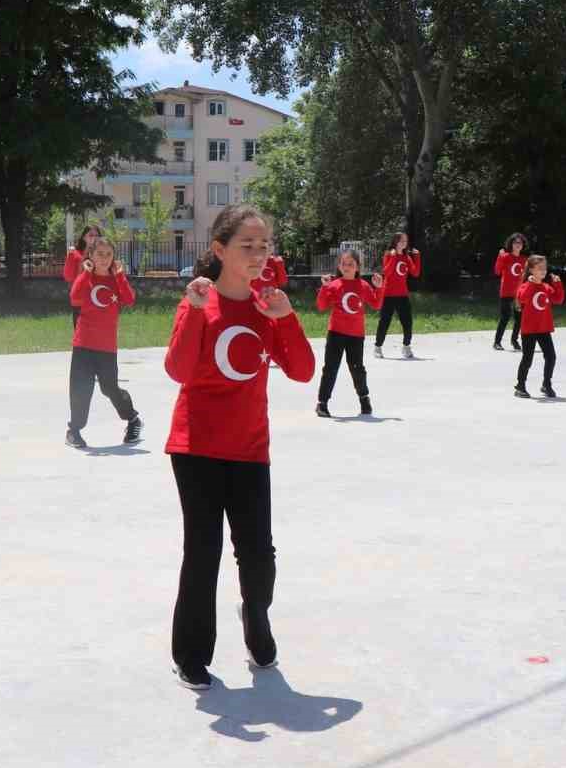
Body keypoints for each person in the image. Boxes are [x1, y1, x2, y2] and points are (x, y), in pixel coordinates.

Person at [163, 203, 316, 690]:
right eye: (247, 245)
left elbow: (302, 370)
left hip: (250, 447)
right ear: (219, 250)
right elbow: (179, 371)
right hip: (197, 447)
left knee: (258, 554)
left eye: (264, 245)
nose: (258, 254)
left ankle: (255, 618)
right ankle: (190, 654)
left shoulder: (266, 306)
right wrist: (192, 309)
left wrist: (287, 317)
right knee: (202, 551)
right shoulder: (199, 302)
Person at [66, 238, 142, 448]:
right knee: (80, 388)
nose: (104, 258)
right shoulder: (86, 277)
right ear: (90, 255)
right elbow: (75, 298)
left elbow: (128, 299)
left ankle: (133, 419)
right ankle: (74, 430)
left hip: (106, 346)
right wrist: (86, 273)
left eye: (108, 254)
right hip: (83, 343)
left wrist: (119, 276)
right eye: (100, 253)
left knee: (109, 388)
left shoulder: (116, 279)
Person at [315, 249, 383, 418]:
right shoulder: (334, 285)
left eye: (351, 264)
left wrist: (380, 288)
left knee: (357, 368)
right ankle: (322, 403)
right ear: (339, 266)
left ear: (357, 267)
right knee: (330, 368)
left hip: (356, 335)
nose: (347, 267)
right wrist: (324, 288)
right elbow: (322, 306)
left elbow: (376, 304)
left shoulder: (363, 286)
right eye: (344, 264)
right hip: (336, 333)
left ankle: (364, 399)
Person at [512, 255, 565, 399]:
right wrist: (530, 284)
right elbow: (522, 298)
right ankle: (520, 386)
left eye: (545, 268)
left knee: (551, 356)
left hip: (544, 328)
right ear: (531, 270)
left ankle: (546, 384)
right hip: (529, 329)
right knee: (527, 358)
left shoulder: (546, 287)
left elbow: (558, 299)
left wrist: (558, 284)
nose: (543, 271)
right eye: (540, 268)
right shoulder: (525, 286)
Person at [374, 232, 422, 360]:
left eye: (406, 241)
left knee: (408, 322)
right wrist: (394, 257)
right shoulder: (389, 254)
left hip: (402, 295)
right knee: (384, 322)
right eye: (402, 241)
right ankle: (378, 347)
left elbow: (415, 273)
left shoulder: (406, 257)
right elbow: (386, 272)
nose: (404, 243)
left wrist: (417, 256)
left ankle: (406, 347)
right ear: (395, 242)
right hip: (388, 294)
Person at [492, 233, 528, 351]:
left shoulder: (524, 260)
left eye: (520, 243)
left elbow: (527, 276)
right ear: (511, 244)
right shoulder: (505, 256)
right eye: (515, 242)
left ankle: (514, 341)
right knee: (505, 317)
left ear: (523, 245)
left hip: (519, 294)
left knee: (519, 319)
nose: (518, 245)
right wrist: (499, 257)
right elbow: (497, 271)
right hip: (506, 292)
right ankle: (497, 342)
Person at [64, 224, 102, 326]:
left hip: (96, 299)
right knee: (81, 336)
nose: (94, 238)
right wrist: (71, 257)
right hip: (80, 299)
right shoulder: (75, 254)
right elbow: (68, 276)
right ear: (84, 237)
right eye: (91, 235)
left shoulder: (102, 254)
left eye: (97, 235)